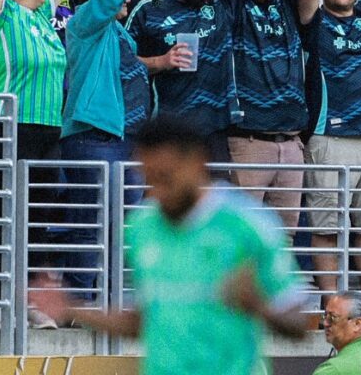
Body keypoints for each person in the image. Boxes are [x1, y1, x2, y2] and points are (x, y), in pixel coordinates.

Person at [29, 116, 312, 375]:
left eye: (166, 178)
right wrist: (71, 309)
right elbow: (144, 321)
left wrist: (257, 305)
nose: (158, 192)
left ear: (196, 162)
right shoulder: (142, 227)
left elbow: (299, 325)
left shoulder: (249, 225)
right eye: (150, 180)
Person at [312, 293, 361, 375]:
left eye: (332, 317)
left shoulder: (333, 370)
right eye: (325, 316)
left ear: (357, 324)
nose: (325, 323)